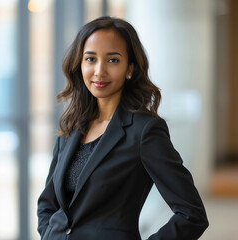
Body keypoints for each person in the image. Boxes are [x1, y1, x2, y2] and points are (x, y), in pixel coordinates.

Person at [37, 16, 208, 240]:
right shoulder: (72, 126)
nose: (99, 71)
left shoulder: (145, 131)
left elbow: (192, 214)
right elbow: (48, 204)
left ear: (130, 69)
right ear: (80, 64)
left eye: (113, 60)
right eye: (90, 59)